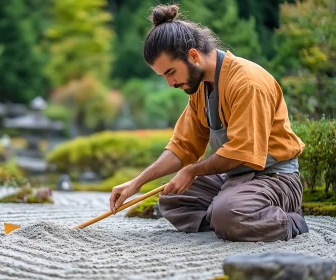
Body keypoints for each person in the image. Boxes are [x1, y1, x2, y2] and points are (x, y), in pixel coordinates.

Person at [109, 4, 309, 242]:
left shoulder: (247, 83)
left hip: (274, 179)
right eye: (163, 76)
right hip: (233, 178)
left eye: (171, 72)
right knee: (171, 198)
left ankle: (287, 219)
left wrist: (193, 170)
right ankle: (231, 214)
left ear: (193, 55)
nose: (170, 83)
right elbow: (183, 147)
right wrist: (137, 183)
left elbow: (242, 153)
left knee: (227, 213)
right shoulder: (198, 87)